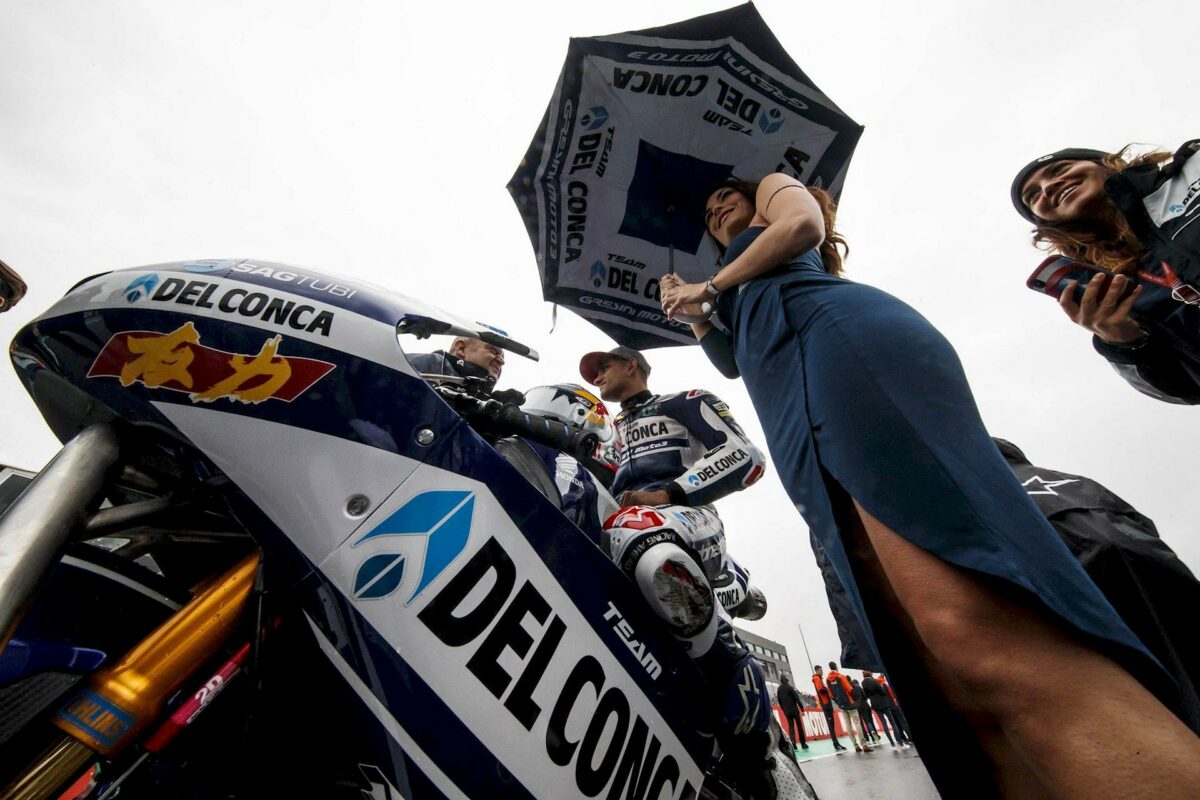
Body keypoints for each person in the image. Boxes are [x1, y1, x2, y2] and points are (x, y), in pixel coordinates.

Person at [659, 172, 1200, 799]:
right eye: (707, 206)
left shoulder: (778, 198)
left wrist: (711, 284)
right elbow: (729, 359)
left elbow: (800, 227)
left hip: (836, 342)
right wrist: (693, 308)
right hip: (782, 393)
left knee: (980, 630)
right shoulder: (723, 280)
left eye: (727, 192)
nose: (717, 203)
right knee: (938, 671)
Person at [579, 346, 781, 795]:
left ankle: (749, 739)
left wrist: (670, 492)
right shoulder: (605, 430)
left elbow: (745, 456)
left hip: (684, 517)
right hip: (623, 528)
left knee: (639, 532)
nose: (597, 378)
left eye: (603, 367)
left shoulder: (684, 401)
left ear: (631, 364)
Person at [995, 437, 1200, 733]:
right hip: (1159, 571)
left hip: (1085, 587)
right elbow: (1140, 522)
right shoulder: (1077, 481)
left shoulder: (991, 494)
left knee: (1150, 702)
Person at [1010, 141, 1200, 403]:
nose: (1048, 187)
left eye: (1060, 170)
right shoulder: (1114, 294)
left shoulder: (1191, 172)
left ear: (1105, 165)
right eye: (1033, 196)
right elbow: (1188, 390)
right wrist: (1125, 342)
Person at [825, 662, 871, 753]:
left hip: (841, 705)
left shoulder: (827, 679)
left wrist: (838, 701)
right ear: (836, 667)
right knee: (857, 723)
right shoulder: (841, 676)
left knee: (848, 725)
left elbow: (830, 693)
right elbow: (849, 689)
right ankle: (864, 745)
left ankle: (855, 745)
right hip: (849, 703)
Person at [810, 664, 846, 751]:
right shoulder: (816, 678)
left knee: (832, 725)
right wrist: (828, 689)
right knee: (831, 725)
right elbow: (821, 690)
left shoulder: (819, 679)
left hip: (827, 704)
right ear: (817, 670)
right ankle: (835, 743)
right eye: (821, 670)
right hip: (825, 704)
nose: (822, 672)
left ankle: (836, 743)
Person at [861, 671, 900, 747]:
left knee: (884, 723)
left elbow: (866, 695)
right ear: (870, 674)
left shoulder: (863, 683)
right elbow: (882, 691)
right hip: (883, 703)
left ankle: (892, 743)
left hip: (874, 704)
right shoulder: (874, 681)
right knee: (892, 723)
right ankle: (900, 742)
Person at [776, 674, 808, 751]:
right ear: (787, 680)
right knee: (799, 726)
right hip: (794, 710)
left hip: (787, 711)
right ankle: (803, 744)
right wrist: (802, 709)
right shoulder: (790, 688)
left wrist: (784, 710)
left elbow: (779, 701)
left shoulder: (779, 689)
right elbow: (797, 699)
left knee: (791, 727)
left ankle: (793, 744)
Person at [850, 677, 880, 744]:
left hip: (857, 707)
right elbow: (865, 696)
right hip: (865, 705)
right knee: (869, 721)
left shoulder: (850, 689)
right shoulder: (859, 687)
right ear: (857, 683)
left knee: (860, 724)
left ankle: (866, 738)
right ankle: (873, 734)